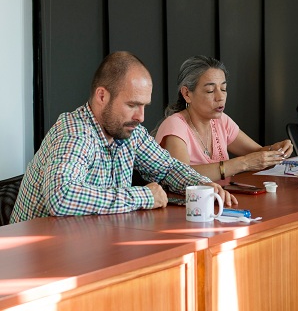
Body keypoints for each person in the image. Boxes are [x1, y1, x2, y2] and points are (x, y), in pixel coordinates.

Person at [10, 51, 237, 223]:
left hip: (88, 244)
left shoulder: (130, 131)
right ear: (102, 96)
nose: (141, 117)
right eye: (132, 105)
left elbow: (167, 168)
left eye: (144, 106)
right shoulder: (75, 133)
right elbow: (62, 197)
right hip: (37, 259)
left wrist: (203, 185)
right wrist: (144, 197)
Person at [153, 56, 293, 181]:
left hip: (222, 201)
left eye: (224, 89)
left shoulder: (221, 121)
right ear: (187, 93)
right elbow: (182, 176)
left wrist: (275, 150)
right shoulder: (174, 125)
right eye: (210, 91)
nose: (220, 97)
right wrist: (243, 163)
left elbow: (256, 153)